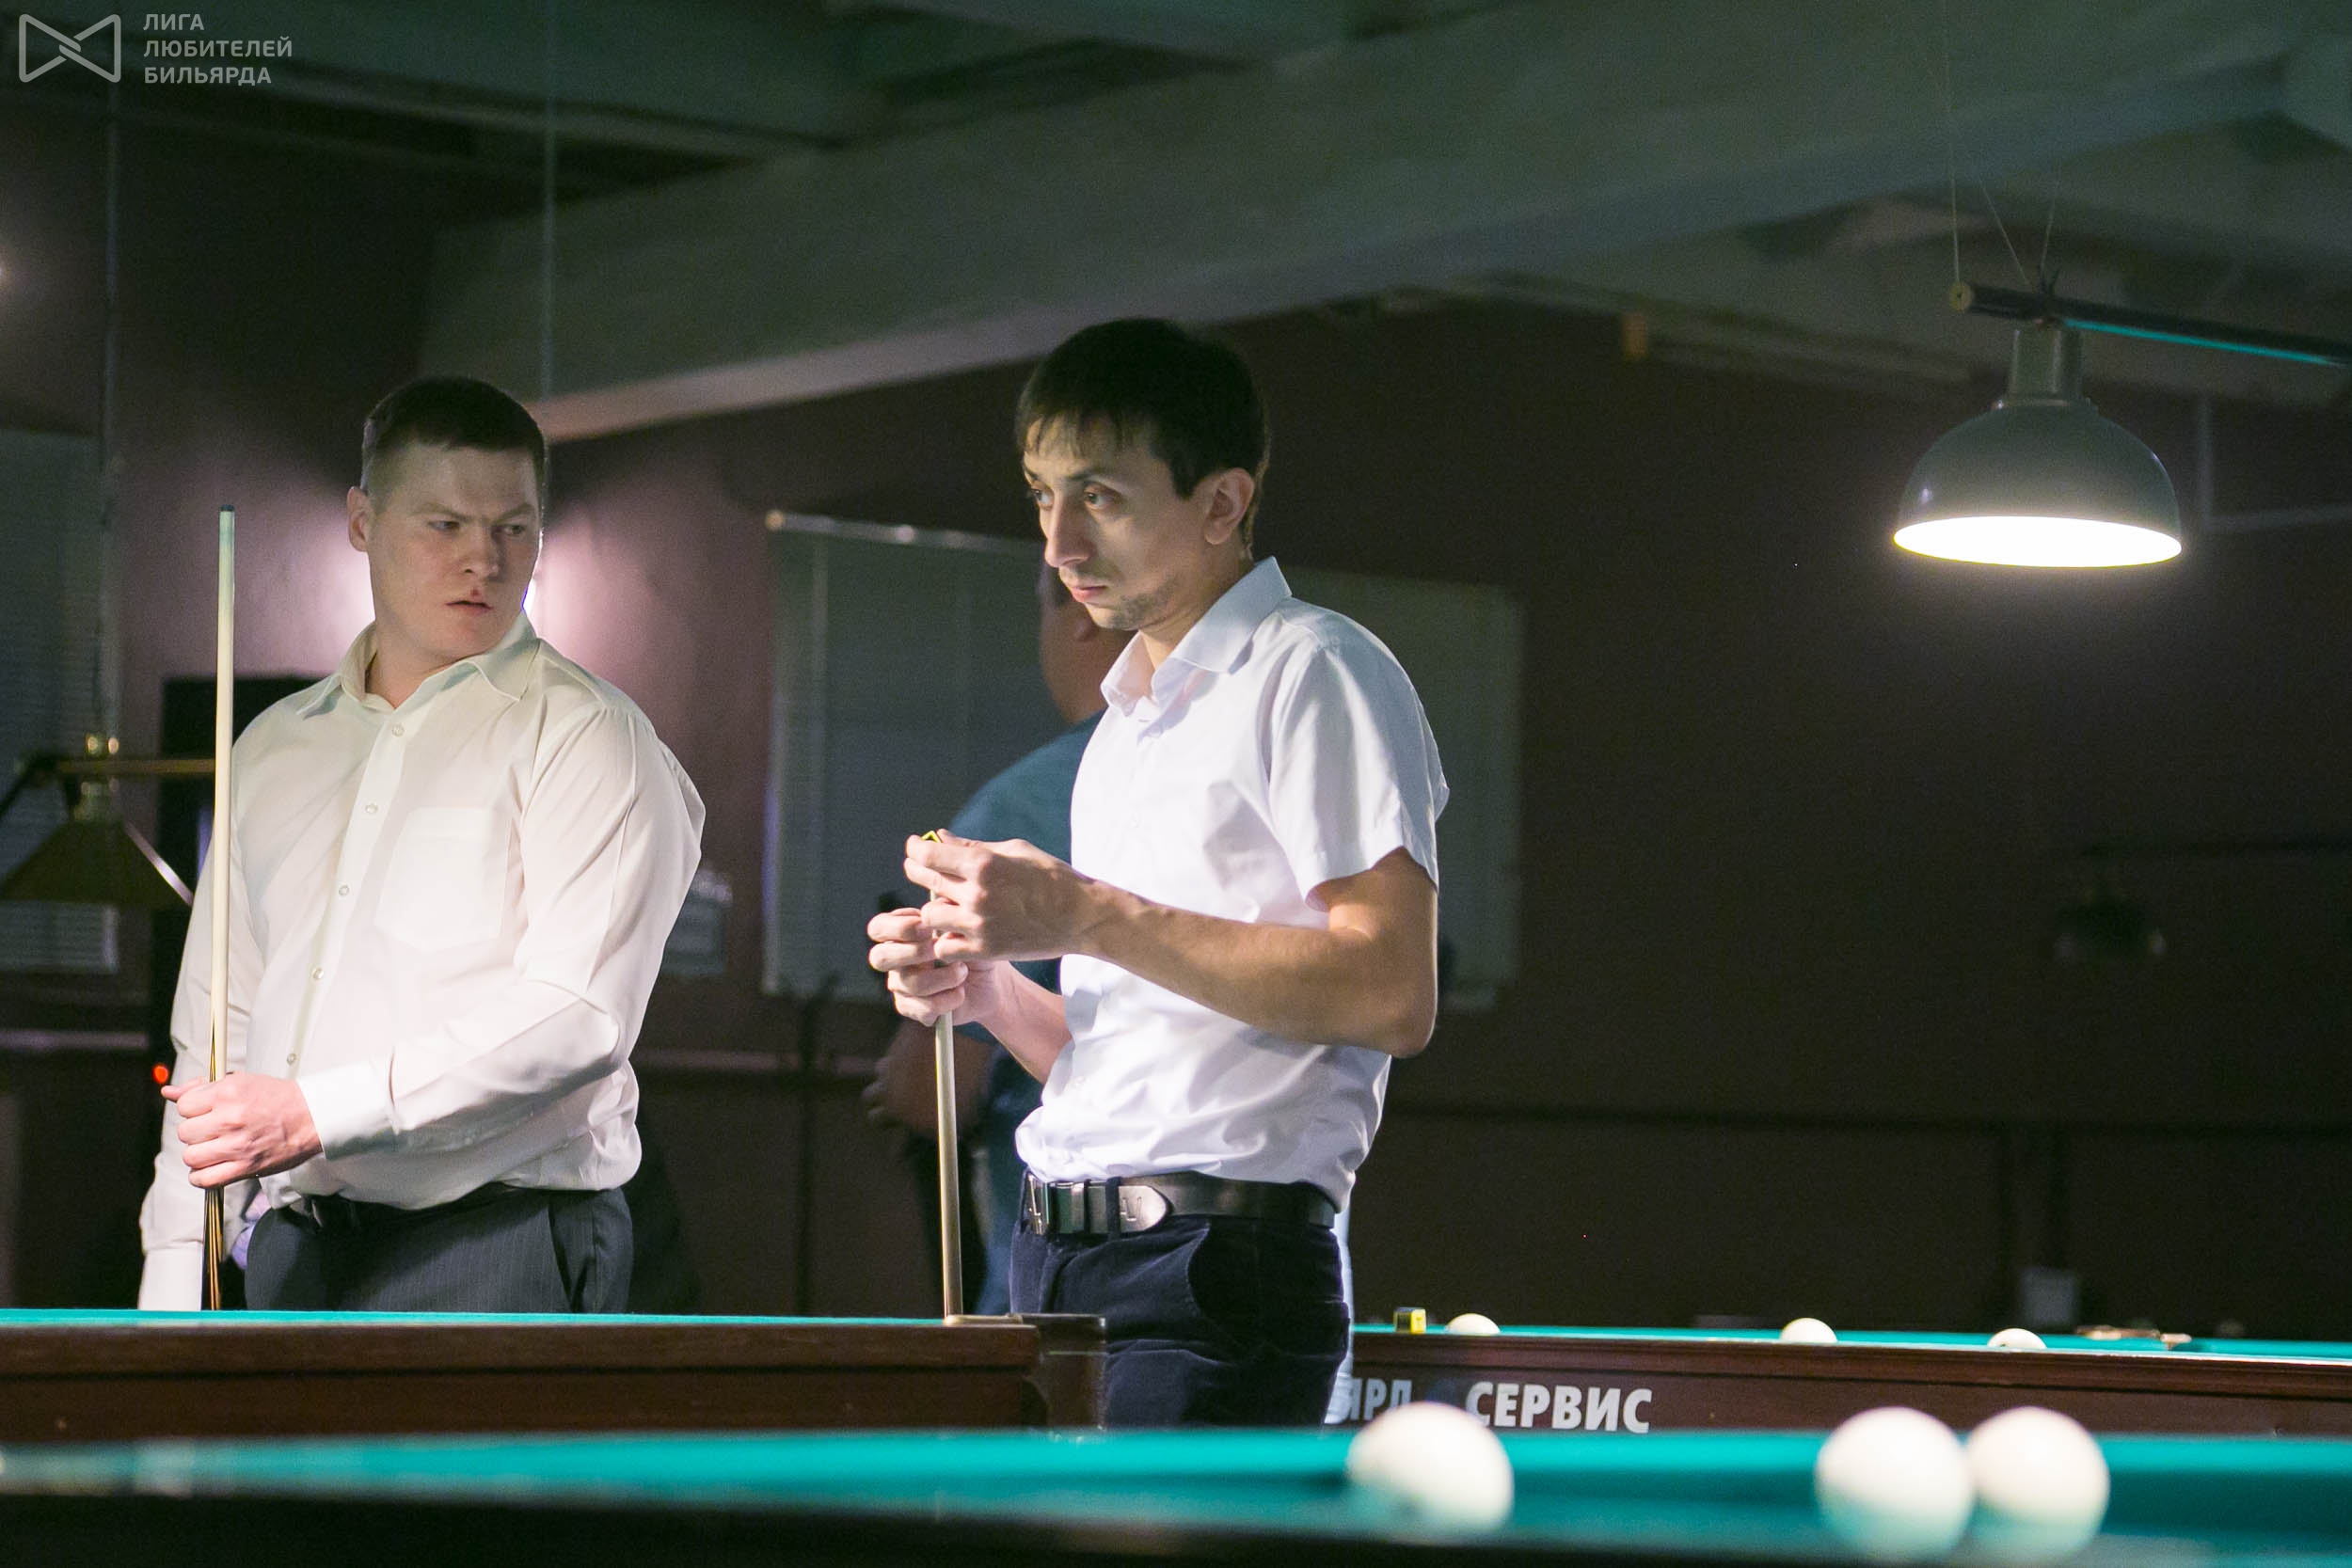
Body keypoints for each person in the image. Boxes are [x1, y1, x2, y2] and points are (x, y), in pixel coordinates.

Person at [867, 319, 1445, 1423]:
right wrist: (990, 993)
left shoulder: (1315, 668)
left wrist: (1083, 912)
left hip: (1214, 1266)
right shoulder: (1129, 722)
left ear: (1221, 503)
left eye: (1099, 496)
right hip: (1060, 1255)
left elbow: (1389, 991)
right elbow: (1128, 1060)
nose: (1058, 542)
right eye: (1042, 495)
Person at [136, 376, 705, 1312]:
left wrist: (317, 1112)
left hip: (499, 1239)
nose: (484, 559)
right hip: (294, 1247)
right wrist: (170, 1283)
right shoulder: (274, 748)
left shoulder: (589, 735)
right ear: (362, 522)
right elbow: (214, 1030)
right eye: (445, 524)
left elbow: (578, 1017)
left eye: (514, 527)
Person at [863, 565, 1130, 1314]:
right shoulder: (1217, 785)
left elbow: (930, 1094)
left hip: (1058, 1275)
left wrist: (903, 1079)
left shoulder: (1023, 807)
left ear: (1080, 610)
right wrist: (998, 997)